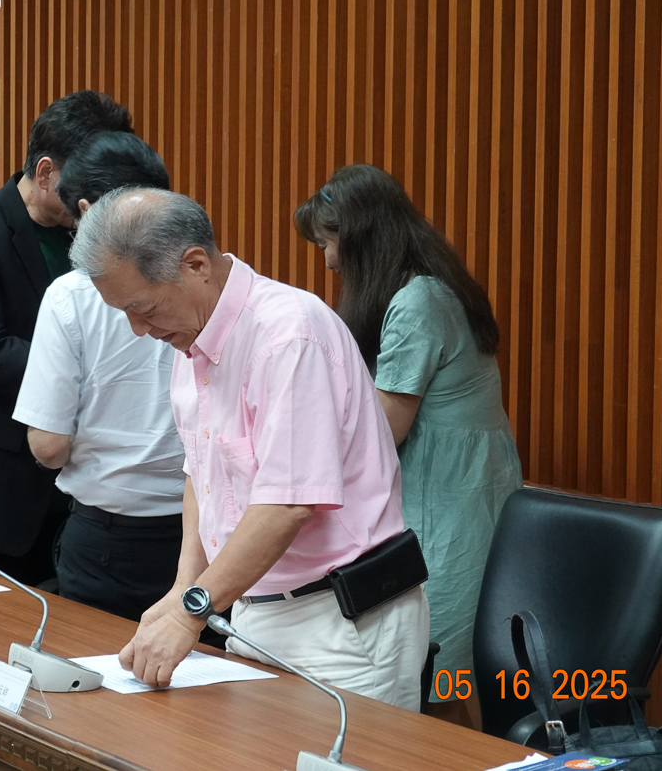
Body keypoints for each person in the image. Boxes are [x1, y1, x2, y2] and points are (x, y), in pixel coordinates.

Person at [70, 187, 429, 711]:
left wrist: (189, 613)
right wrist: (184, 589)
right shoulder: (191, 340)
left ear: (196, 265)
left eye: (142, 308)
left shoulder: (287, 335)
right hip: (251, 608)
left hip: (342, 621)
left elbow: (288, 503)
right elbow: (202, 474)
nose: (139, 330)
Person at [294, 163, 522, 718]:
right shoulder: (432, 285)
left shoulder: (418, 302)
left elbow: (382, 431)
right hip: (463, 485)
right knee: (438, 668)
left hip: (449, 498)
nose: (328, 260)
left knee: (438, 668)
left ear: (363, 239)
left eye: (329, 243)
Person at [0, 90, 134, 586]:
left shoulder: (93, 236)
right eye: (88, 182)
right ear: (45, 172)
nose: (98, 199)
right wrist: (92, 373)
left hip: (83, 485)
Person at [12, 132, 185, 621]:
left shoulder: (71, 295)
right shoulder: (205, 279)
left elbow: (48, 446)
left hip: (109, 543)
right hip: (206, 536)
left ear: (88, 211)